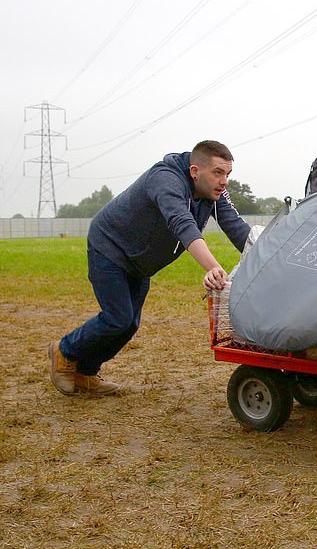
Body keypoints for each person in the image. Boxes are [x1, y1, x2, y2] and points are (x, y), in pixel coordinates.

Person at [48, 140, 252, 396]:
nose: (224, 181)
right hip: (110, 247)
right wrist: (212, 266)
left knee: (129, 323)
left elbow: (235, 226)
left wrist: (265, 254)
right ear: (195, 172)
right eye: (218, 173)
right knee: (118, 318)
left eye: (228, 174)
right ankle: (63, 350)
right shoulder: (165, 180)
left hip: (140, 262)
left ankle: (85, 372)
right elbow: (182, 222)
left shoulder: (213, 194)